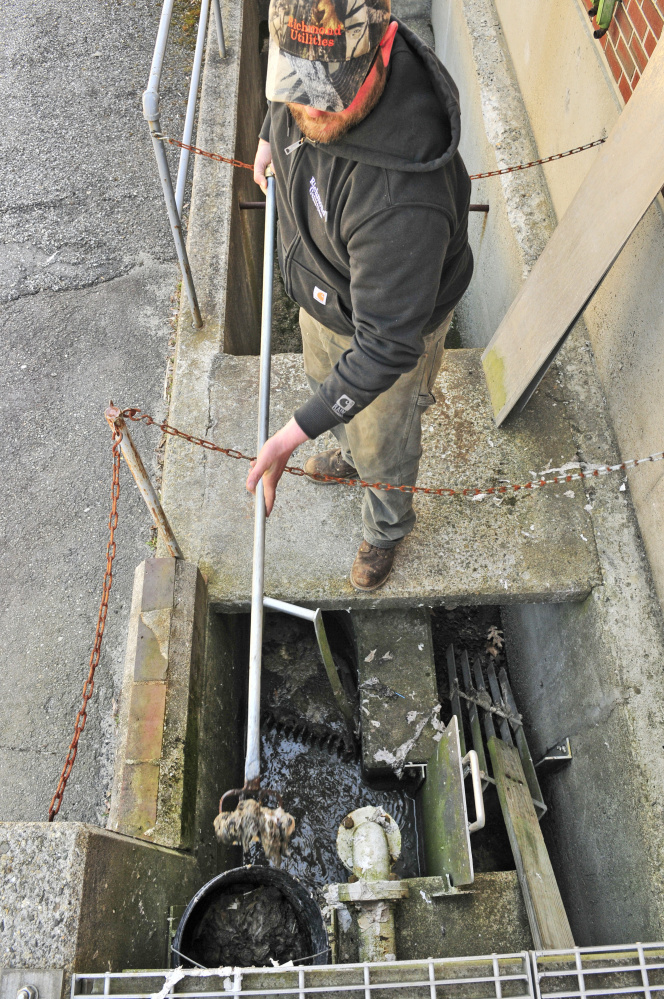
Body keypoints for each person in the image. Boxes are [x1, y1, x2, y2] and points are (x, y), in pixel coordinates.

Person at [247, 0, 473, 591]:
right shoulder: (301, 81)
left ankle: (386, 529)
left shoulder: (401, 201)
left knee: (386, 442)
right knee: (332, 386)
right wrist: (271, 137)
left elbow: (383, 348)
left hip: (385, 334)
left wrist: (293, 433)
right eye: (297, 81)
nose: (311, 109)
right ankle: (348, 452)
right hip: (325, 294)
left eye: (330, 88)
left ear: (385, 46)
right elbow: (285, 101)